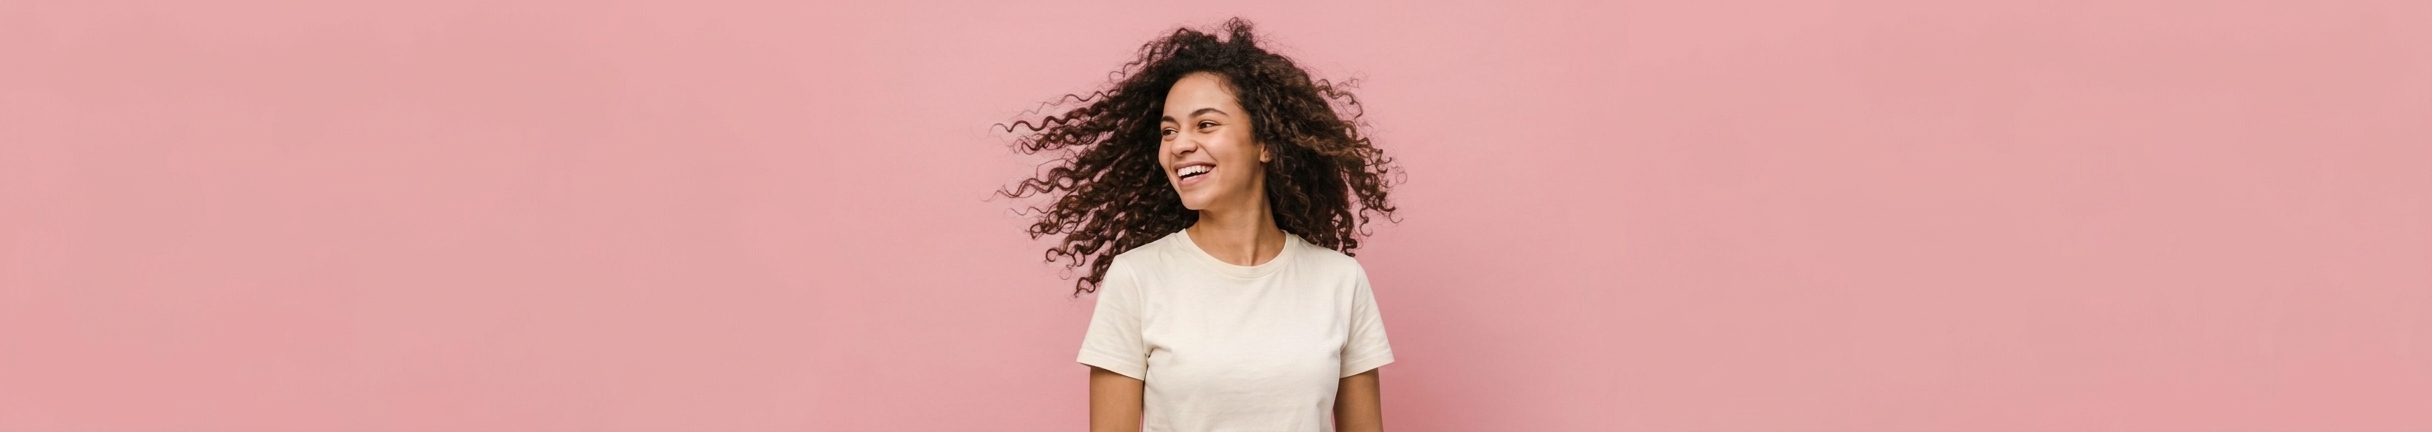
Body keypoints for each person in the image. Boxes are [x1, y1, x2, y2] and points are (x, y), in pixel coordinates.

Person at [996, 17, 1403, 432]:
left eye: (1205, 124)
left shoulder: (1339, 281)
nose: (1180, 144)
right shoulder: (1137, 278)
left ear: (1265, 143)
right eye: (1168, 131)